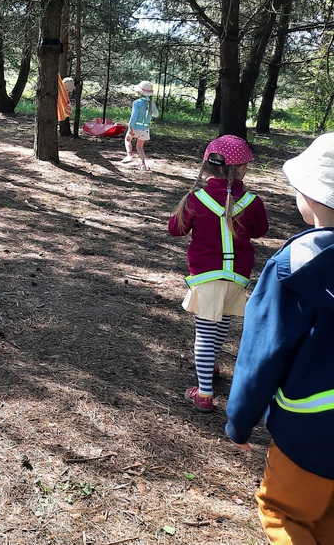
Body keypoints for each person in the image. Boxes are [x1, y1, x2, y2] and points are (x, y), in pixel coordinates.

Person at [226, 133, 334, 543]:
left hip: (312, 430)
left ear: (311, 195)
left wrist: (239, 422)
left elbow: (263, 354)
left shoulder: (296, 266)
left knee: (285, 514)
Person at [168, 135, 269, 413]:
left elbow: (175, 229)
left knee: (204, 331)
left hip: (207, 275)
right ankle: (209, 363)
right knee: (222, 322)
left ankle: (204, 393)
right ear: (241, 169)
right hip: (237, 275)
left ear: (207, 167)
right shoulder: (252, 201)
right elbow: (260, 230)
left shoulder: (196, 199)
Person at [122, 80, 159, 170]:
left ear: (140, 92)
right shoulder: (151, 103)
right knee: (140, 147)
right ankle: (143, 164)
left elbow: (133, 116)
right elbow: (156, 114)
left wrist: (130, 127)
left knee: (127, 140)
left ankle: (129, 155)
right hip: (145, 129)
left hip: (135, 127)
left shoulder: (137, 102)